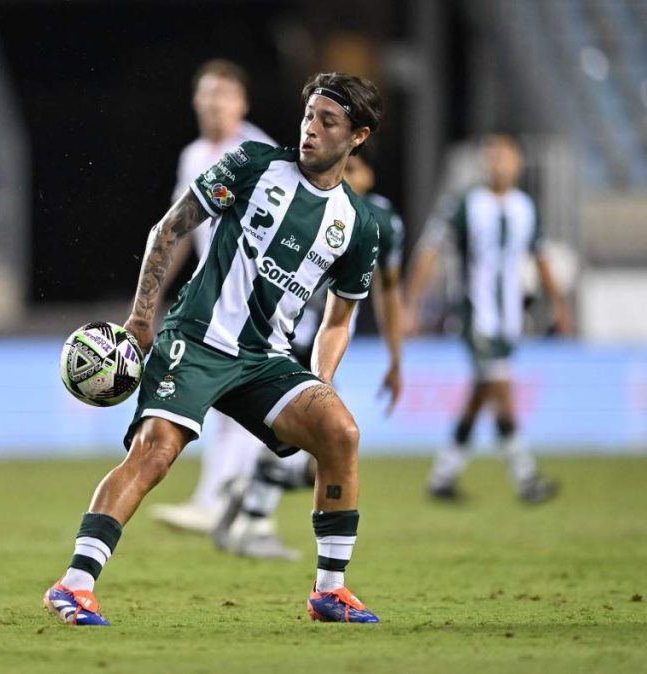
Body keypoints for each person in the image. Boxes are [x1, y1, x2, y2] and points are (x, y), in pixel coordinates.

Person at [44, 72, 385, 626]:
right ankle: (73, 586)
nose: (311, 130)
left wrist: (321, 376)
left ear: (358, 136)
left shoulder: (357, 225)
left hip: (265, 359)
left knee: (340, 432)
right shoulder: (253, 164)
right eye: (308, 116)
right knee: (154, 454)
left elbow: (338, 318)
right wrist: (140, 317)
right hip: (197, 338)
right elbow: (171, 227)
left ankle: (330, 591)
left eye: (328, 122)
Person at [211, 148, 406, 560]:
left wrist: (396, 358)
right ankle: (257, 520)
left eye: (354, 168)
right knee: (318, 444)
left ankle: (256, 491)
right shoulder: (302, 199)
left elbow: (389, 293)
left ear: (369, 174)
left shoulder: (380, 224)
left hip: (327, 343)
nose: (346, 176)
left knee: (323, 450)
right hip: (285, 338)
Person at [404, 133, 571, 503]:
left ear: (517, 164)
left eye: (504, 157)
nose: (497, 163)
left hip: (510, 319)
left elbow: (541, 258)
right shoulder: (463, 203)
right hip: (475, 315)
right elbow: (429, 250)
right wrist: (411, 304)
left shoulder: (526, 207)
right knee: (501, 390)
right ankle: (526, 478)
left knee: (482, 394)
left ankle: (442, 477)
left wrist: (559, 304)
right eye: (490, 157)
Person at [151, 59, 279, 535]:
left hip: (257, 297)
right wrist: (156, 291)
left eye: (224, 94)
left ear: (241, 103)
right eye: (207, 94)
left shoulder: (257, 151)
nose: (214, 102)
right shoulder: (193, 156)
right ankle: (237, 506)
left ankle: (225, 502)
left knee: (237, 395)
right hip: (217, 296)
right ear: (195, 101)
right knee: (237, 400)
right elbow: (182, 229)